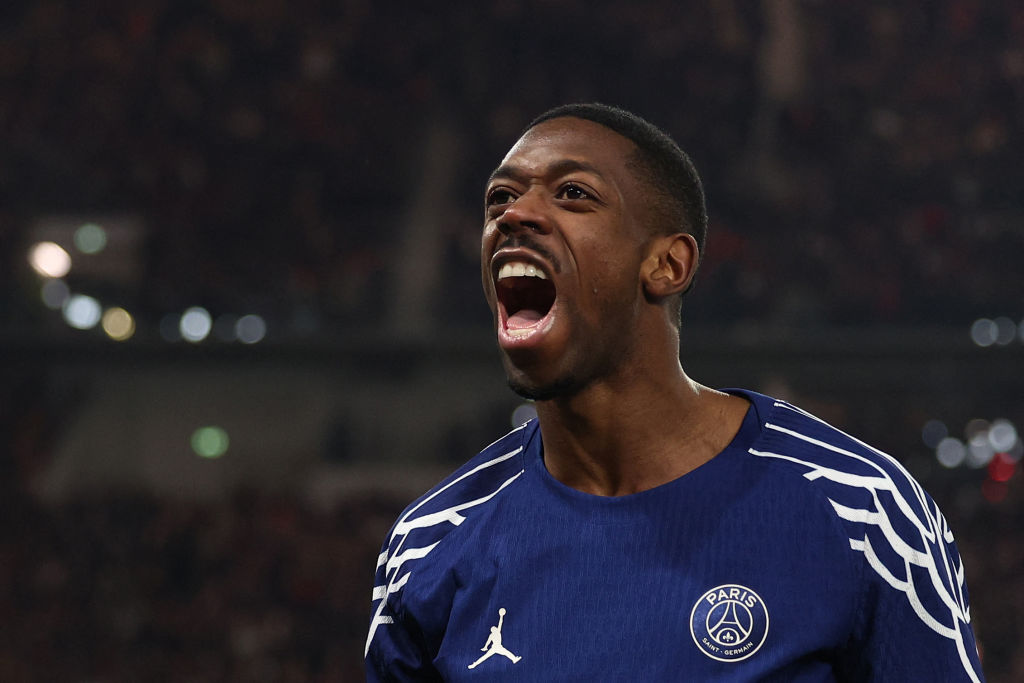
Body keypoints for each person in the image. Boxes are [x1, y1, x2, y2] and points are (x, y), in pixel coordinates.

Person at [365, 103, 985, 681]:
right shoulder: (429, 543)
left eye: (573, 193)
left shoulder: (860, 511)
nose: (514, 214)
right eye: (500, 197)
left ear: (667, 266)